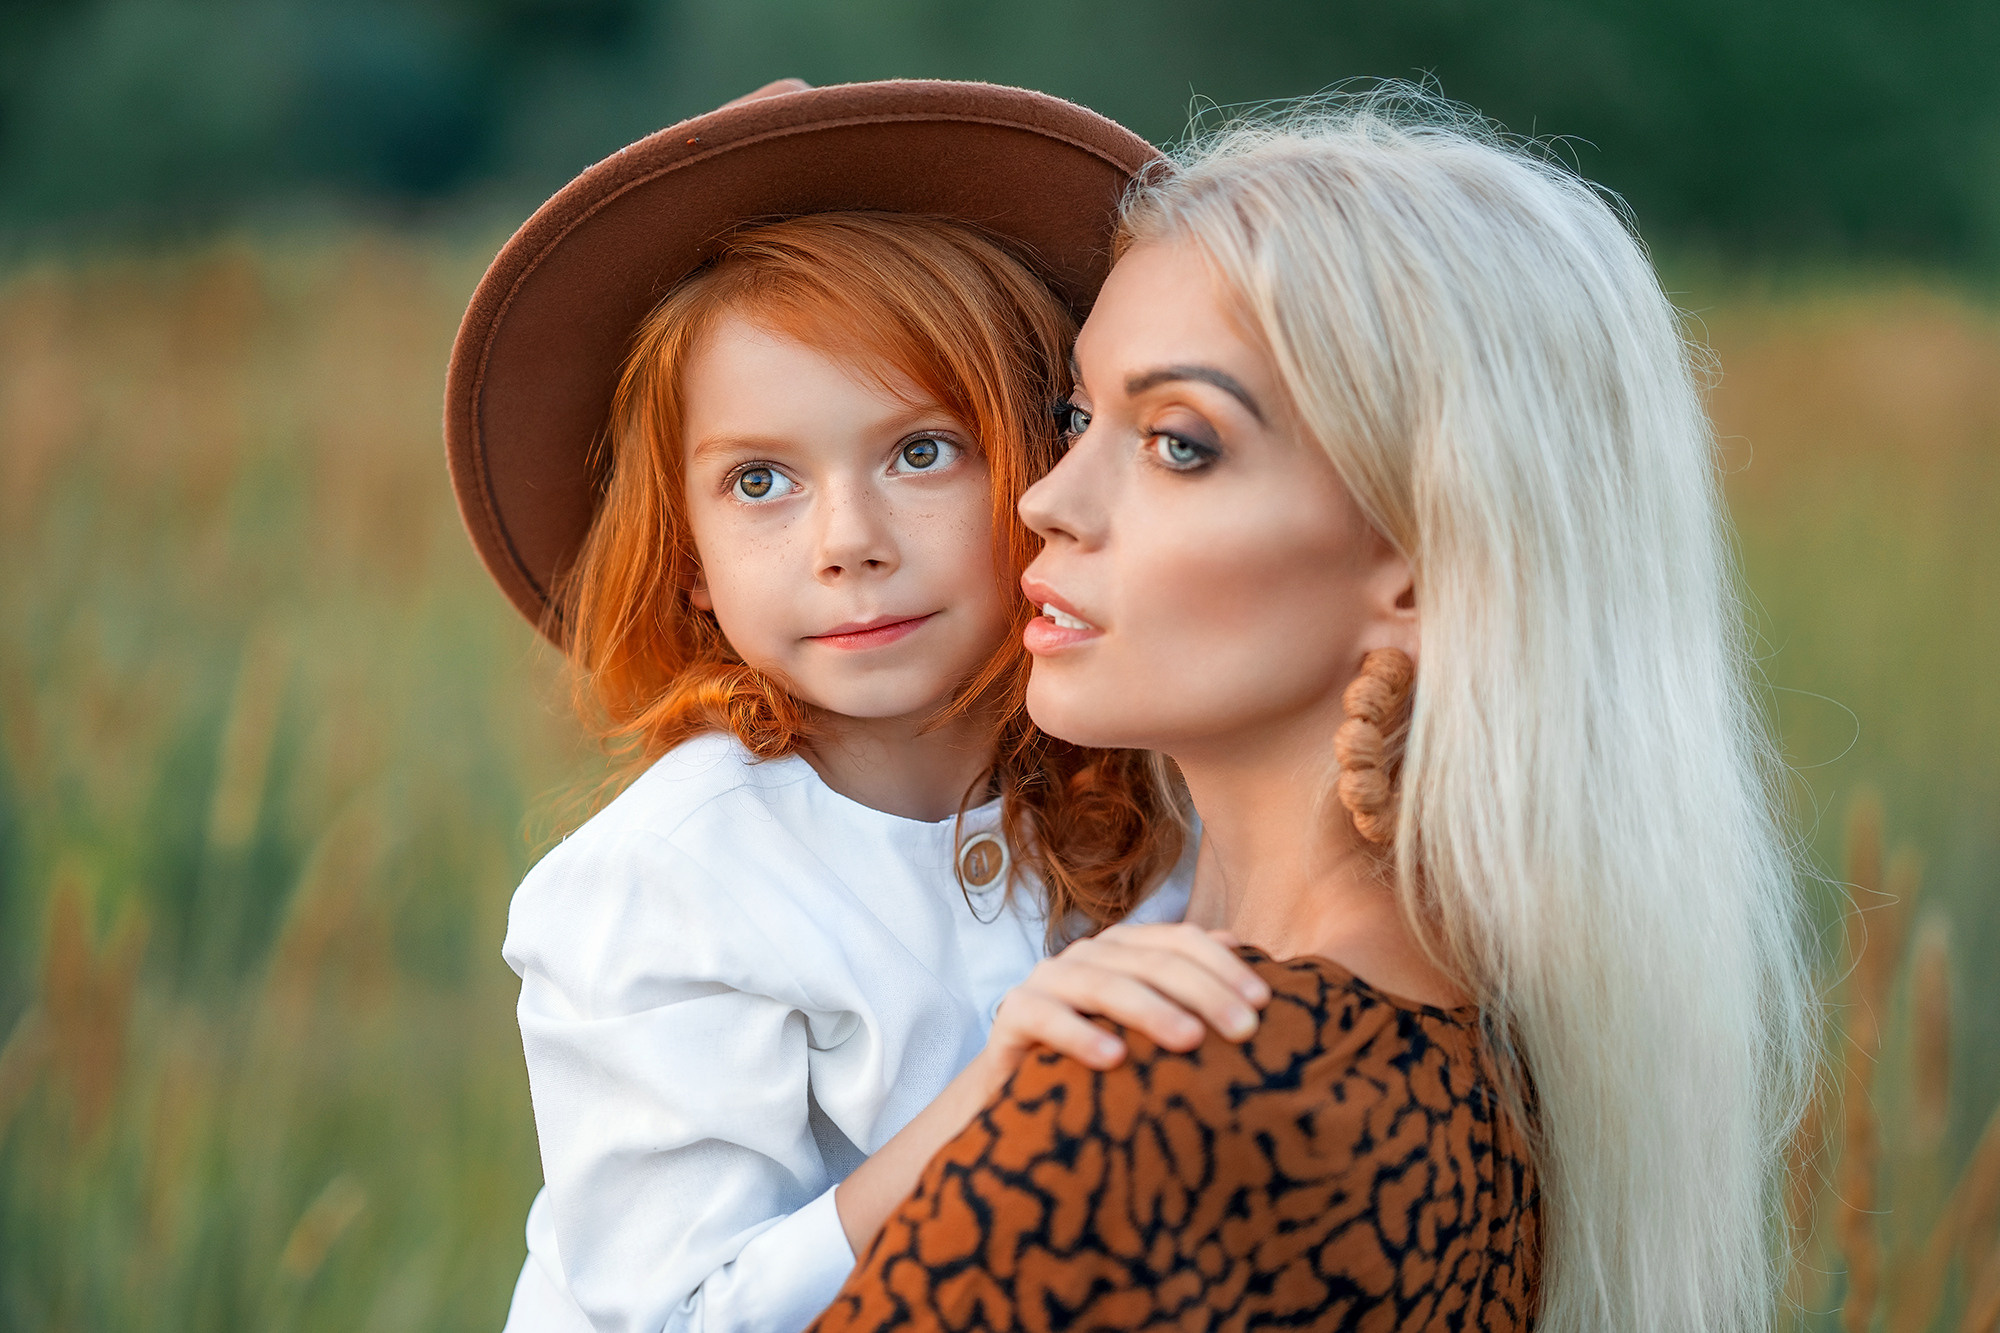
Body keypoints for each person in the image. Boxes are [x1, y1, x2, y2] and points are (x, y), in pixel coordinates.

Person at [809, 94, 1814, 1332]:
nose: (1047, 499)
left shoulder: (1150, 1096)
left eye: (1178, 442)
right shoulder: (1506, 1061)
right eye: (1077, 416)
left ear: (1421, 564)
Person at [442, 82, 1267, 1333]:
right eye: (759, 481)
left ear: (1047, 467)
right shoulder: (666, 887)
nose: (847, 542)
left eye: (921, 451)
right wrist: (998, 1102)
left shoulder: (1156, 785)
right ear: (687, 559)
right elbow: (678, 1315)